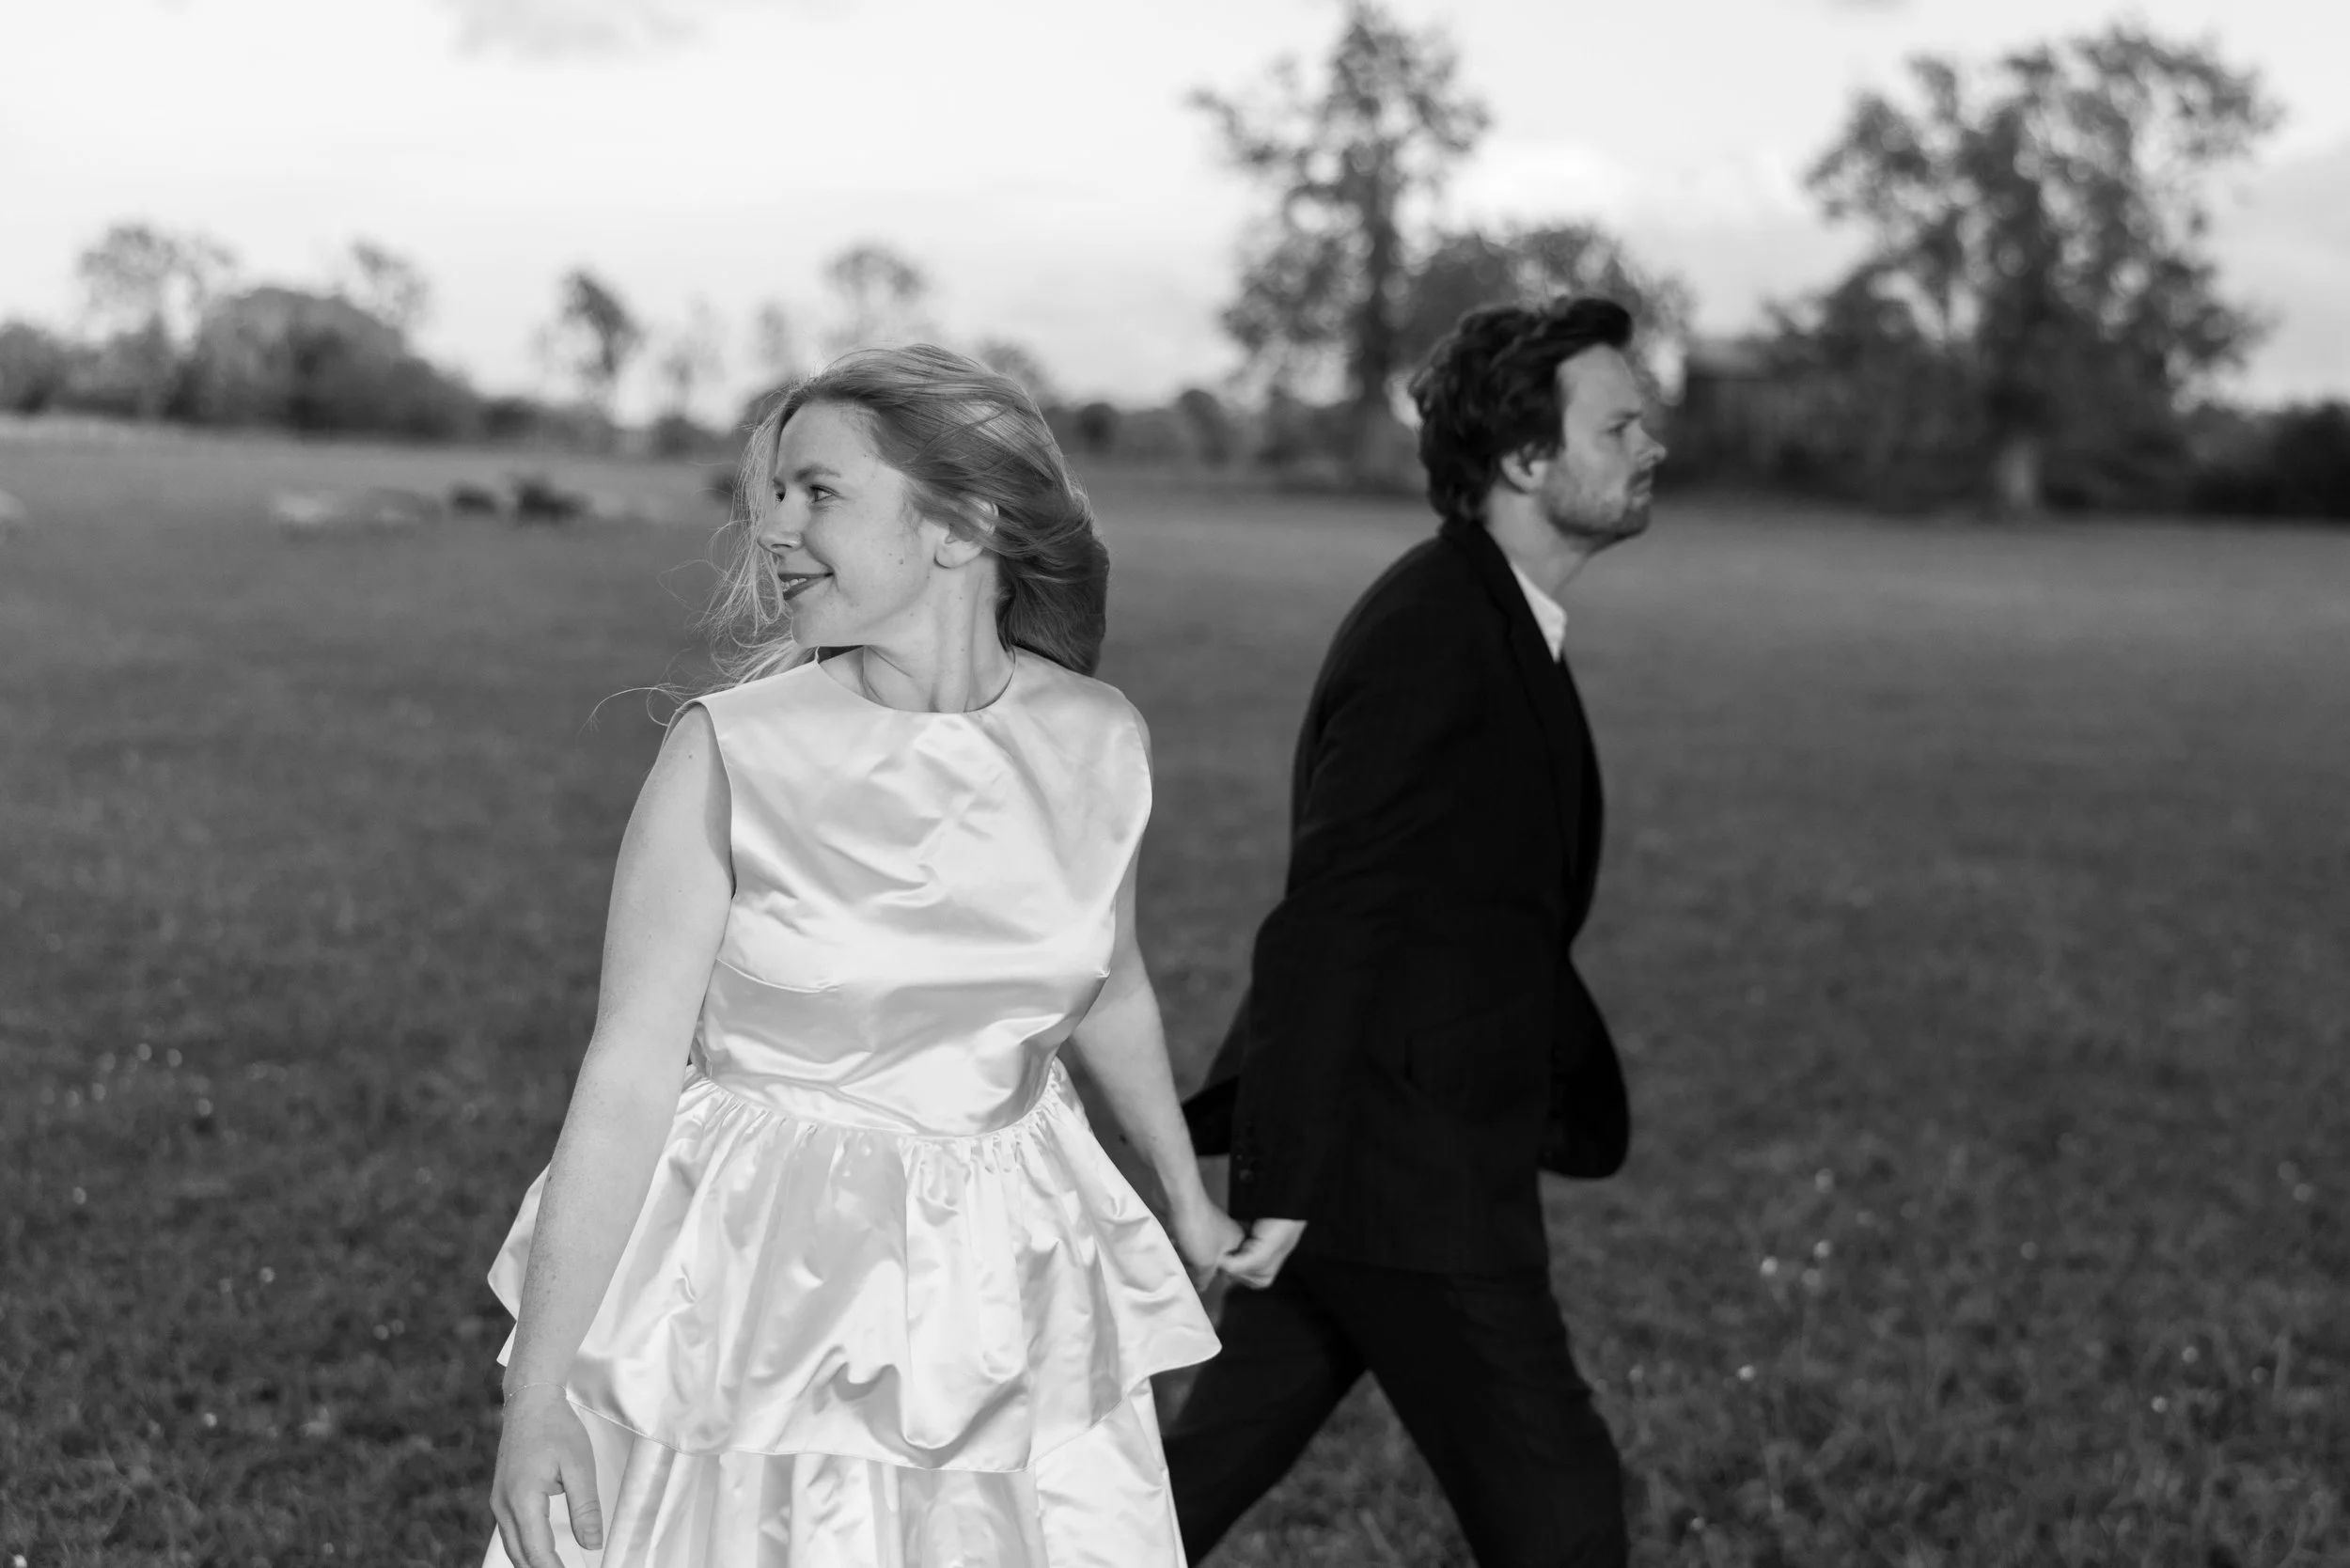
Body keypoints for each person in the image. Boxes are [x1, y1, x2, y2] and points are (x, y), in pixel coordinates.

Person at [482, 344, 1240, 1568]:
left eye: (819, 492)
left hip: (1008, 1276)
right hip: (760, 1288)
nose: (773, 527)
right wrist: (538, 1397)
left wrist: (1188, 1201)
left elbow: (1113, 977)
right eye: (774, 492)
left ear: (962, 525)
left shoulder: (1098, 738)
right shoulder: (730, 753)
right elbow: (626, 1080)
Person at [1170, 297, 1666, 1568]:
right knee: (1564, 1525)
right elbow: (1333, 910)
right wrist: (1284, 1178)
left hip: (1370, 1155)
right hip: (1405, 1176)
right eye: (1618, 426)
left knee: (1170, 1502)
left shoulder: (1495, 616)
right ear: (1525, 460)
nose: (1651, 445)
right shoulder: (1437, 635)